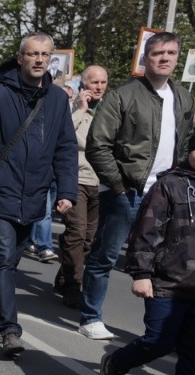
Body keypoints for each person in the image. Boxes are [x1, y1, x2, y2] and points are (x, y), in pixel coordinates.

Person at [0, 32, 78, 357]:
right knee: (4, 260)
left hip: (34, 197)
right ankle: (10, 331)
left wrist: (66, 190)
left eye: (45, 55)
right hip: (1, 194)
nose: (39, 60)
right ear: (20, 58)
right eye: (32, 54)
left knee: (9, 262)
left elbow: (65, 148)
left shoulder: (57, 99)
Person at [80, 31, 194, 340]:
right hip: (126, 191)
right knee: (105, 255)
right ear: (145, 58)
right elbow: (97, 145)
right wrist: (118, 186)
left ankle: (159, 331)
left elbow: (184, 145)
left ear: (177, 57)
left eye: (171, 53)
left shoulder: (183, 97)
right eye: (158, 53)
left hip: (166, 194)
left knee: (162, 264)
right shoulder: (122, 95)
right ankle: (90, 317)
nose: (165, 58)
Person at [97, 138, 195, 375]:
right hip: (167, 280)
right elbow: (147, 229)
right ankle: (115, 364)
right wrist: (141, 272)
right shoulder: (170, 185)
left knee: (193, 348)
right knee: (159, 341)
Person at [54, 65, 108, 308]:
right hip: (75, 179)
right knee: (76, 232)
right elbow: (61, 136)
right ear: (84, 84)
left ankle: (64, 276)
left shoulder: (110, 109)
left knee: (88, 239)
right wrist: (80, 109)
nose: (99, 87)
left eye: (103, 82)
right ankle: (73, 286)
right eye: (94, 82)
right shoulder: (70, 108)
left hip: (100, 181)